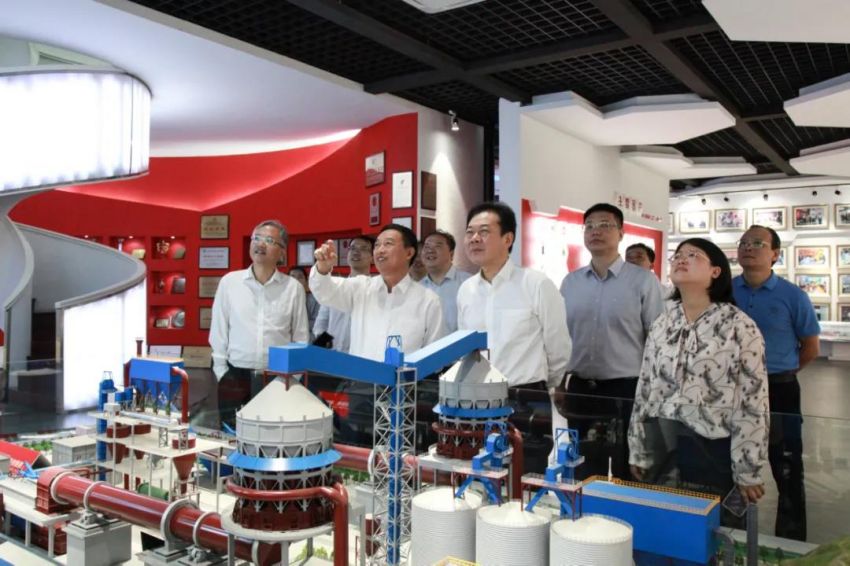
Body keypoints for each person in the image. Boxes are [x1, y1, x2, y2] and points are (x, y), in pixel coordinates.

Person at [629, 238, 769, 515]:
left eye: (693, 255)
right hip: (664, 442)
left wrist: (748, 468)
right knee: (663, 524)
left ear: (715, 271)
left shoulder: (739, 326)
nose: (681, 259)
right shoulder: (663, 323)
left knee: (711, 530)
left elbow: (753, 399)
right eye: (678, 255)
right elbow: (645, 387)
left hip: (713, 446)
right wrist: (639, 448)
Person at [457, 202, 571, 466]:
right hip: (477, 401)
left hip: (525, 398)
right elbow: (465, 350)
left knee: (526, 475)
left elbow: (558, 347)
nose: (474, 238)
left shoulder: (536, 284)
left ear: (507, 239)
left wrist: (545, 386)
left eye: (484, 231)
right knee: (480, 474)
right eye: (469, 232)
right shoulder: (466, 290)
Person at [559, 203, 663, 479]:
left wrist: (653, 392)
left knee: (626, 468)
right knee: (581, 467)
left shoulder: (643, 281)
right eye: (589, 226)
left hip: (625, 389)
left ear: (621, 233)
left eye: (605, 225)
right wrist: (559, 382)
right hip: (580, 388)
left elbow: (657, 340)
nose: (596, 231)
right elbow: (562, 337)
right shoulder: (571, 283)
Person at [733, 225, 820, 541]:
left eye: (757, 243)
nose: (748, 247)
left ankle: (791, 543)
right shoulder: (725, 291)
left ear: (775, 254)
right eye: (744, 242)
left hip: (779, 390)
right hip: (732, 390)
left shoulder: (793, 296)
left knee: (787, 466)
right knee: (732, 463)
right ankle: (730, 537)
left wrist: (783, 372)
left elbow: (810, 347)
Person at [209, 219, 309, 428]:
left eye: (269, 240)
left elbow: (300, 337)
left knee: (274, 437)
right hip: (235, 376)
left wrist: (294, 378)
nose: (260, 244)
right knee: (232, 437)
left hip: (277, 378)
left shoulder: (293, 288)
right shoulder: (230, 282)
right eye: (257, 238)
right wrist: (222, 373)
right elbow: (218, 331)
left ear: (282, 252)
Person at [310, 224, 444, 361]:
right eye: (377, 245)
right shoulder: (360, 287)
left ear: (409, 253)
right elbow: (325, 292)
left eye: (388, 244)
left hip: (404, 375)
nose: (380, 250)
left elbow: (432, 355)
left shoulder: (428, 300)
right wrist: (322, 268)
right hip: (358, 373)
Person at [312, 235, 374, 353]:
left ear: (372, 258)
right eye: (353, 248)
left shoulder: (375, 290)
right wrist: (325, 345)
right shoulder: (334, 287)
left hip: (361, 356)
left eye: (363, 249)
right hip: (333, 354)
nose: (356, 252)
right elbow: (321, 322)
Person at [419, 230, 471, 333]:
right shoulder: (417, 288)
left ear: (451, 254)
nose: (430, 251)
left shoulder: (468, 284)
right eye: (427, 247)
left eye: (437, 246)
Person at [289, 267, 320, 339]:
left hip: (308, 338)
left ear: (306, 280)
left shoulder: (315, 300)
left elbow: (318, 322)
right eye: (292, 277)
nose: (296, 280)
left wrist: (296, 325)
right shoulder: (281, 299)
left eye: (300, 277)